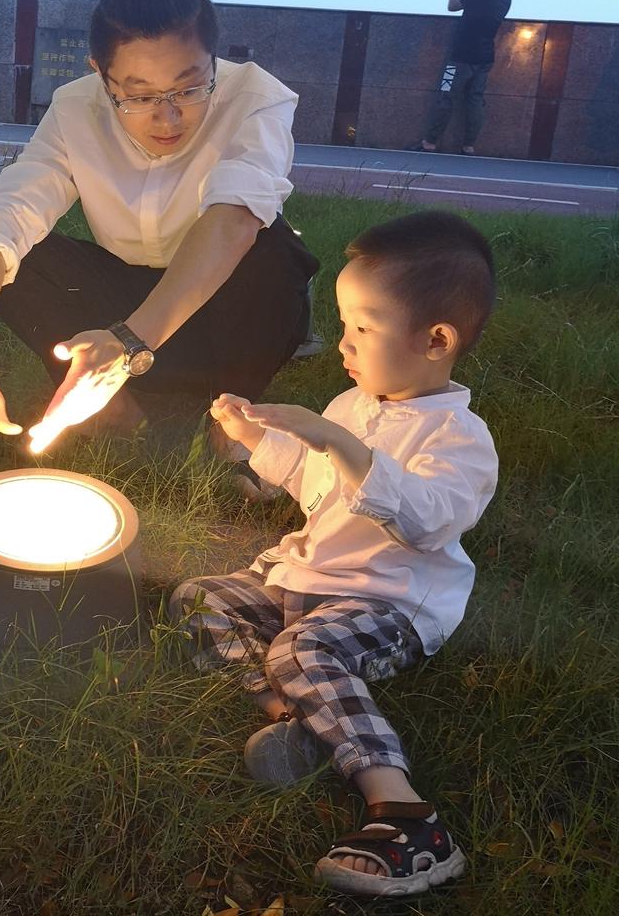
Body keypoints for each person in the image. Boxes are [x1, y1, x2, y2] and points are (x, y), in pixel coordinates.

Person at [171, 211, 499, 898]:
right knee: (200, 599)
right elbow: (313, 483)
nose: (343, 343)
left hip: (388, 602)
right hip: (305, 575)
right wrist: (255, 437)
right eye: (344, 324)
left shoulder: (460, 441)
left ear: (435, 340)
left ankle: (408, 817)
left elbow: (422, 525)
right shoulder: (354, 402)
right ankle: (295, 723)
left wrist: (343, 444)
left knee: (304, 649)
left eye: (362, 328)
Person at [0, 0, 319, 453]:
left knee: (273, 249)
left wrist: (129, 343)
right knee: (21, 258)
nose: (168, 116)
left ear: (213, 59)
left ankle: (233, 414)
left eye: (190, 87)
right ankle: (111, 404)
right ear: (99, 74)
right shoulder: (75, 108)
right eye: (138, 95)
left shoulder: (256, 98)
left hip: (227, 322)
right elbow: (6, 214)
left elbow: (233, 219)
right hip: (121, 306)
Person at [409, 0, 513, 155]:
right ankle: (468, 145)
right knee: (475, 100)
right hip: (484, 57)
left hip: (460, 55)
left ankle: (429, 142)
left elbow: (452, 6)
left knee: (446, 95)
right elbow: (481, 9)